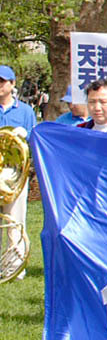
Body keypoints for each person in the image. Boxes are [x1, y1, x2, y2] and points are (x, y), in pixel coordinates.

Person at [0, 65, 36, 278]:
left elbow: (32, 138)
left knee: (15, 219)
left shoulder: (25, 111)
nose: (0, 85)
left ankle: (14, 265)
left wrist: (24, 135)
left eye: (3, 81)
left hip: (15, 174)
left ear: (12, 84)